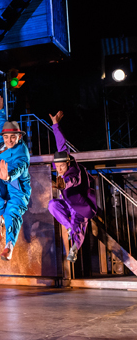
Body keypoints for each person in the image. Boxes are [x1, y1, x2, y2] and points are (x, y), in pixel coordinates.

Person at [0, 94, 31, 261]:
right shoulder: (3, 141)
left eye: (13, 137)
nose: (9, 140)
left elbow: (21, 166)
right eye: (6, 137)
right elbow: (3, 124)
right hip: (3, 184)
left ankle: (8, 246)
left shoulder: (22, 153)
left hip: (17, 190)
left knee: (12, 213)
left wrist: (9, 175)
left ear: (19, 137)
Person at [48, 111, 97, 263]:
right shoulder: (63, 161)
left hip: (80, 205)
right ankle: (69, 227)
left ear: (68, 163)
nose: (60, 170)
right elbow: (61, 144)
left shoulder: (74, 171)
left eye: (62, 166)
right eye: (58, 167)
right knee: (52, 204)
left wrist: (65, 184)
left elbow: (72, 180)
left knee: (79, 222)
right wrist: (55, 125)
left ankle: (74, 249)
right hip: (68, 204)